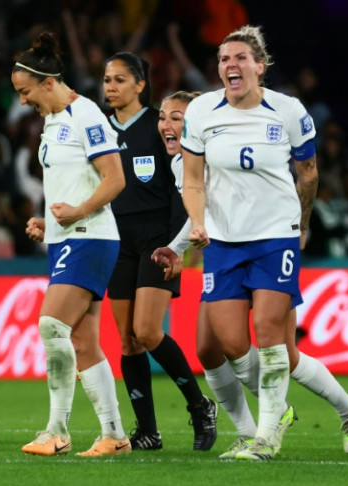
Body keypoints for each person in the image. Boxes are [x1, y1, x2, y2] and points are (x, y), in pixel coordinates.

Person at [152, 89, 348, 459]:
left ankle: (345, 410)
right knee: (213, 346)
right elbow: (199, 210)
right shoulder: (181, 163)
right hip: (224, 251)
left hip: (268, 244)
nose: (168, 126)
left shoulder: (227, 141)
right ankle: (255, 428)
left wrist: (180, 246)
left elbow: (285, 178)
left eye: (177, 117)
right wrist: (179, 246)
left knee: (285, 353)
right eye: (163, 117)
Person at [12, 32, 131, 457]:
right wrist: (51, 223)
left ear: (48, 82)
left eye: (25, 92)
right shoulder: (52, 119)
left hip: (92, 237)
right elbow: (73, 182)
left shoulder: (88, 116)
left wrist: (78, 213)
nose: (23, 101)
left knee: (51, 325)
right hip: (67, 239)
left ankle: (56, 430)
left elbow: (116, 179)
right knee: (82, 342)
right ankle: (114, 435)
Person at [103, 52, 217, 451]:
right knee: (127, 340)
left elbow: (181, 187)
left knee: (148, 331)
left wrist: (177, 245)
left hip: (159, 240)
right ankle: (147, 431)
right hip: (117, 240)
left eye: (119, 80)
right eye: (106, 80)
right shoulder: (99, 130)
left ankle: (200, 405)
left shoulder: (159, 124)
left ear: (139, 84)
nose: (110, 88)